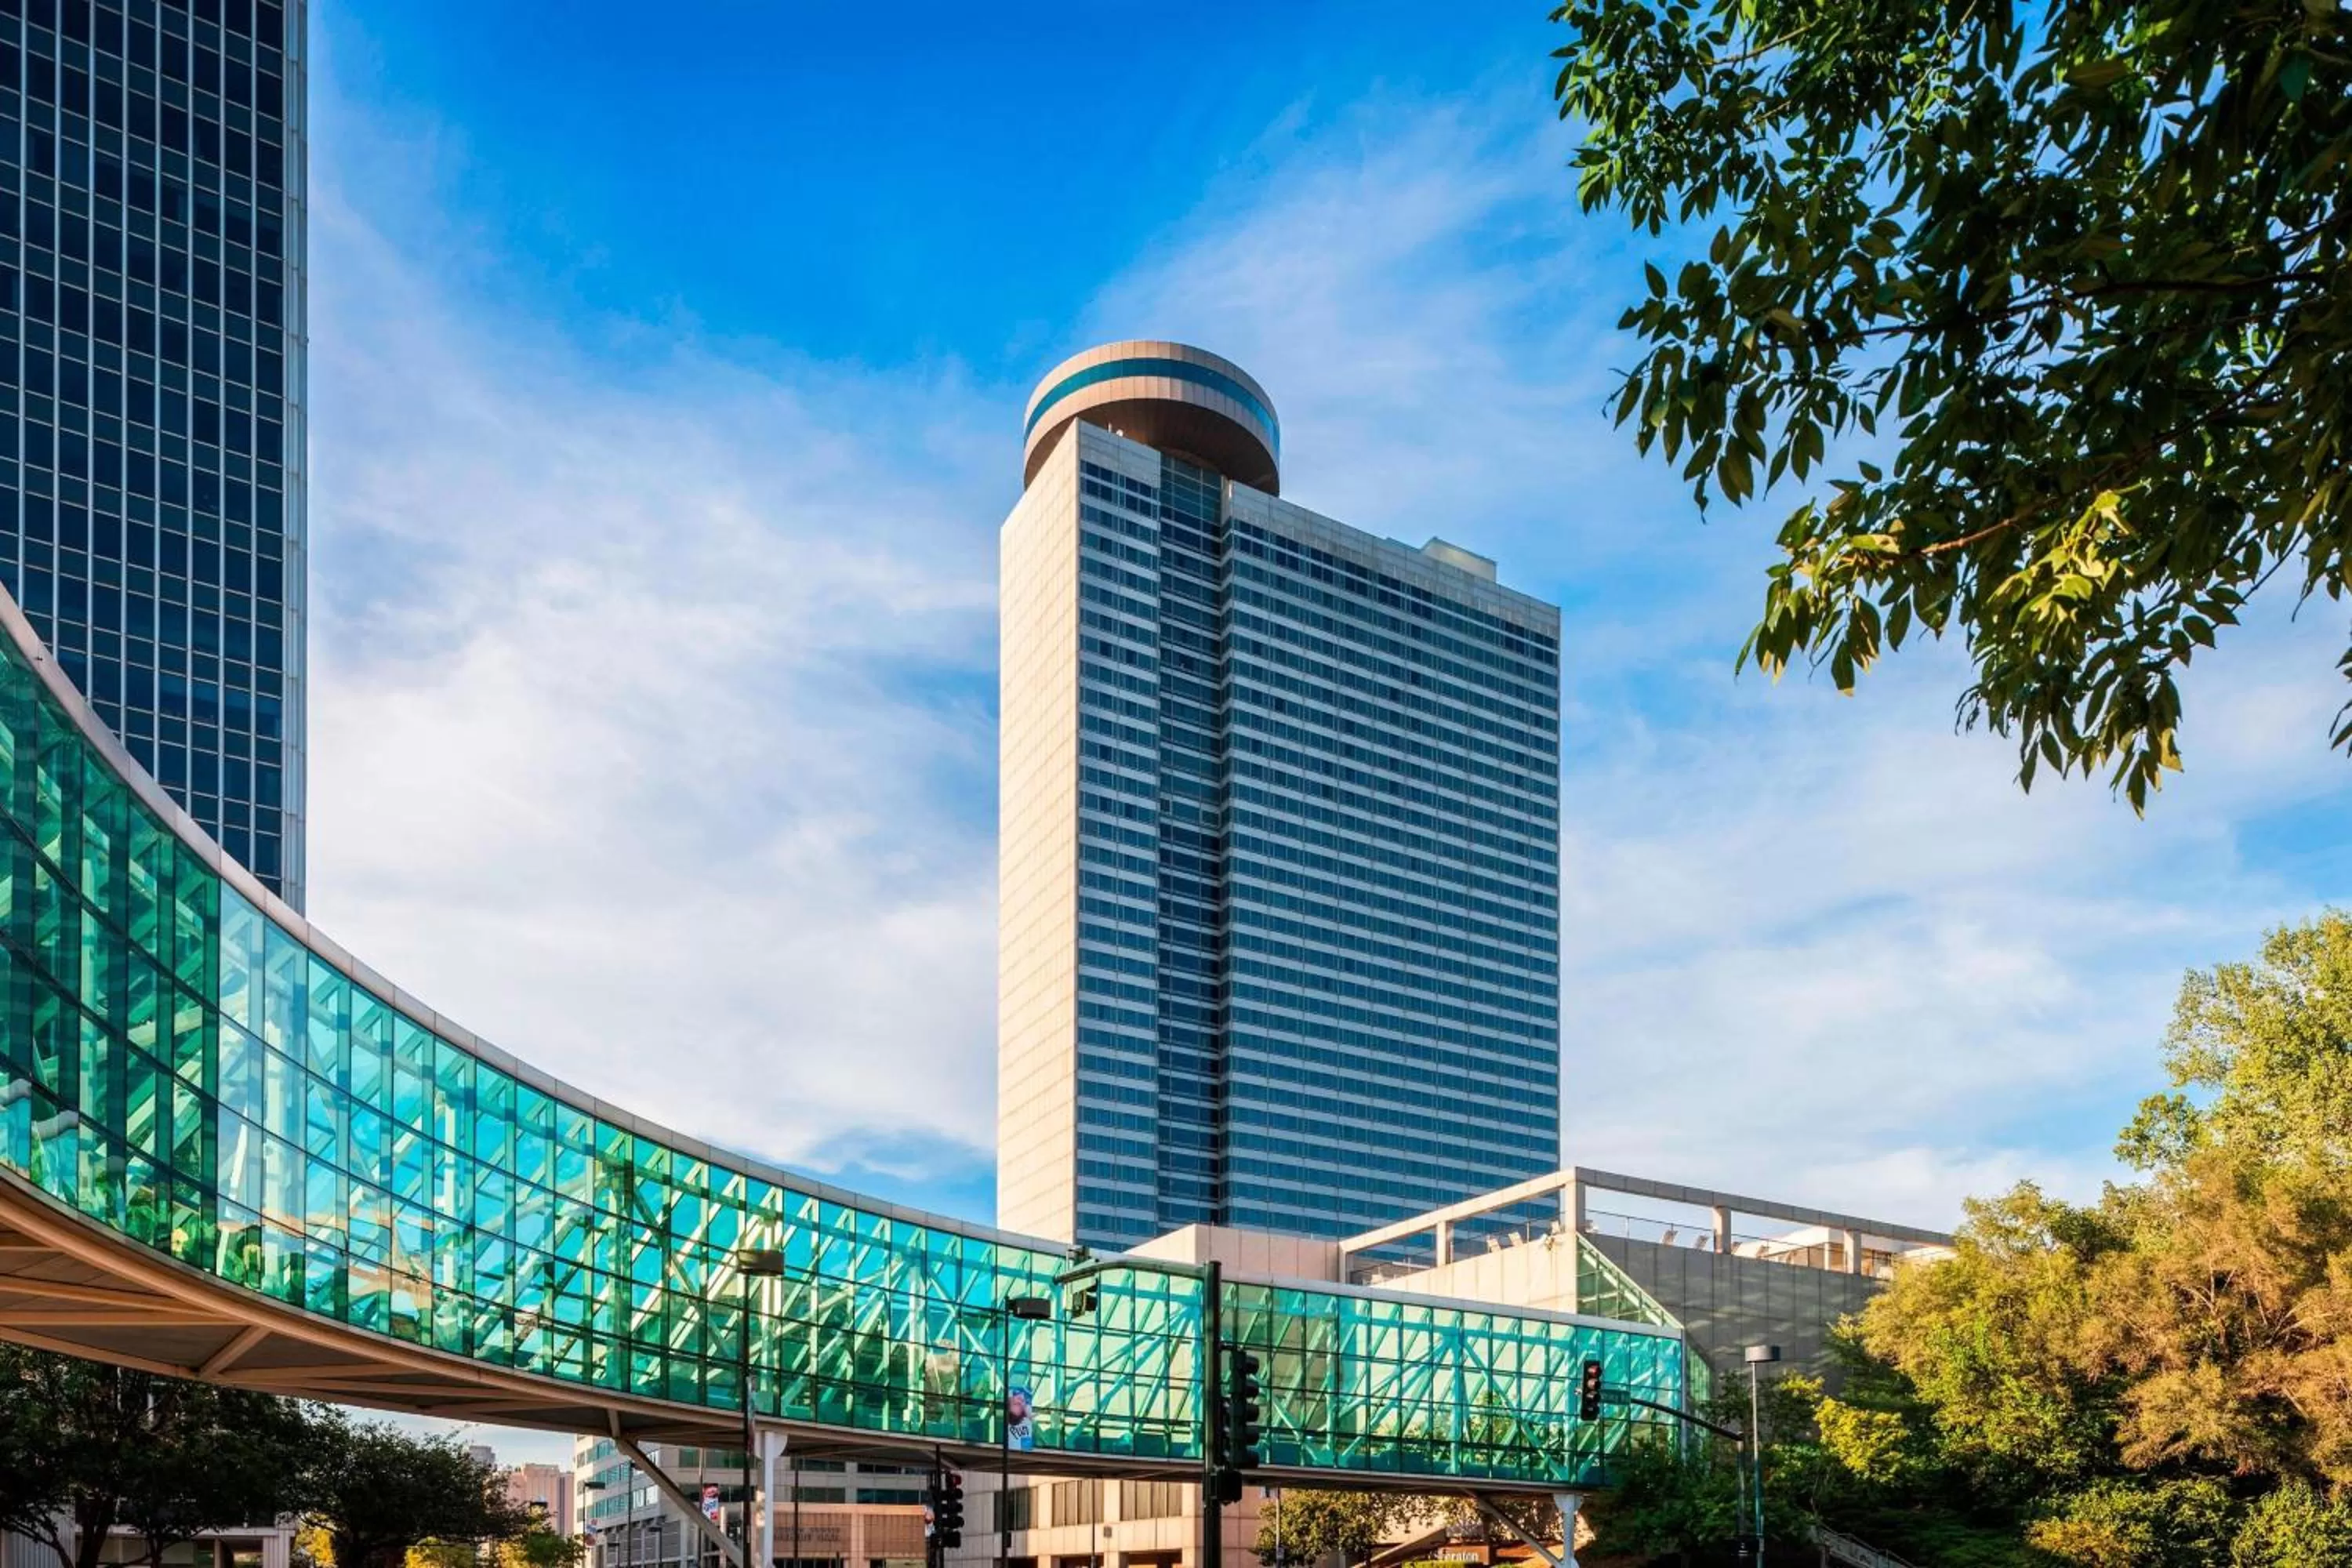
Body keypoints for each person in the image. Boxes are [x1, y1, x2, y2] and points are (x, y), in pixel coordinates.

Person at [1006, 1386, 1035, 1451]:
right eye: (1020, 1404)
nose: (1020, 1400)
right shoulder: (1028, 1397)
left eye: (1016, 1404)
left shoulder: (1011, 1390)